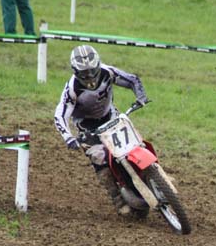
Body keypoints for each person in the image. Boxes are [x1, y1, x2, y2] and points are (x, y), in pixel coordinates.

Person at [54, 45, 150, 215]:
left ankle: (151, 174)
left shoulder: (108, 72)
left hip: (111, 116)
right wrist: (68, 137)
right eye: (84, 74)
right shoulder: (72, 89)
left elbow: (132, 80)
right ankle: (117, 198)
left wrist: (140, 95)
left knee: (135, 144)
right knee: (99, 158)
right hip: (87, 127)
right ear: (76, 72)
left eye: (92, 71)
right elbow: (60, 115)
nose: (90, 77)